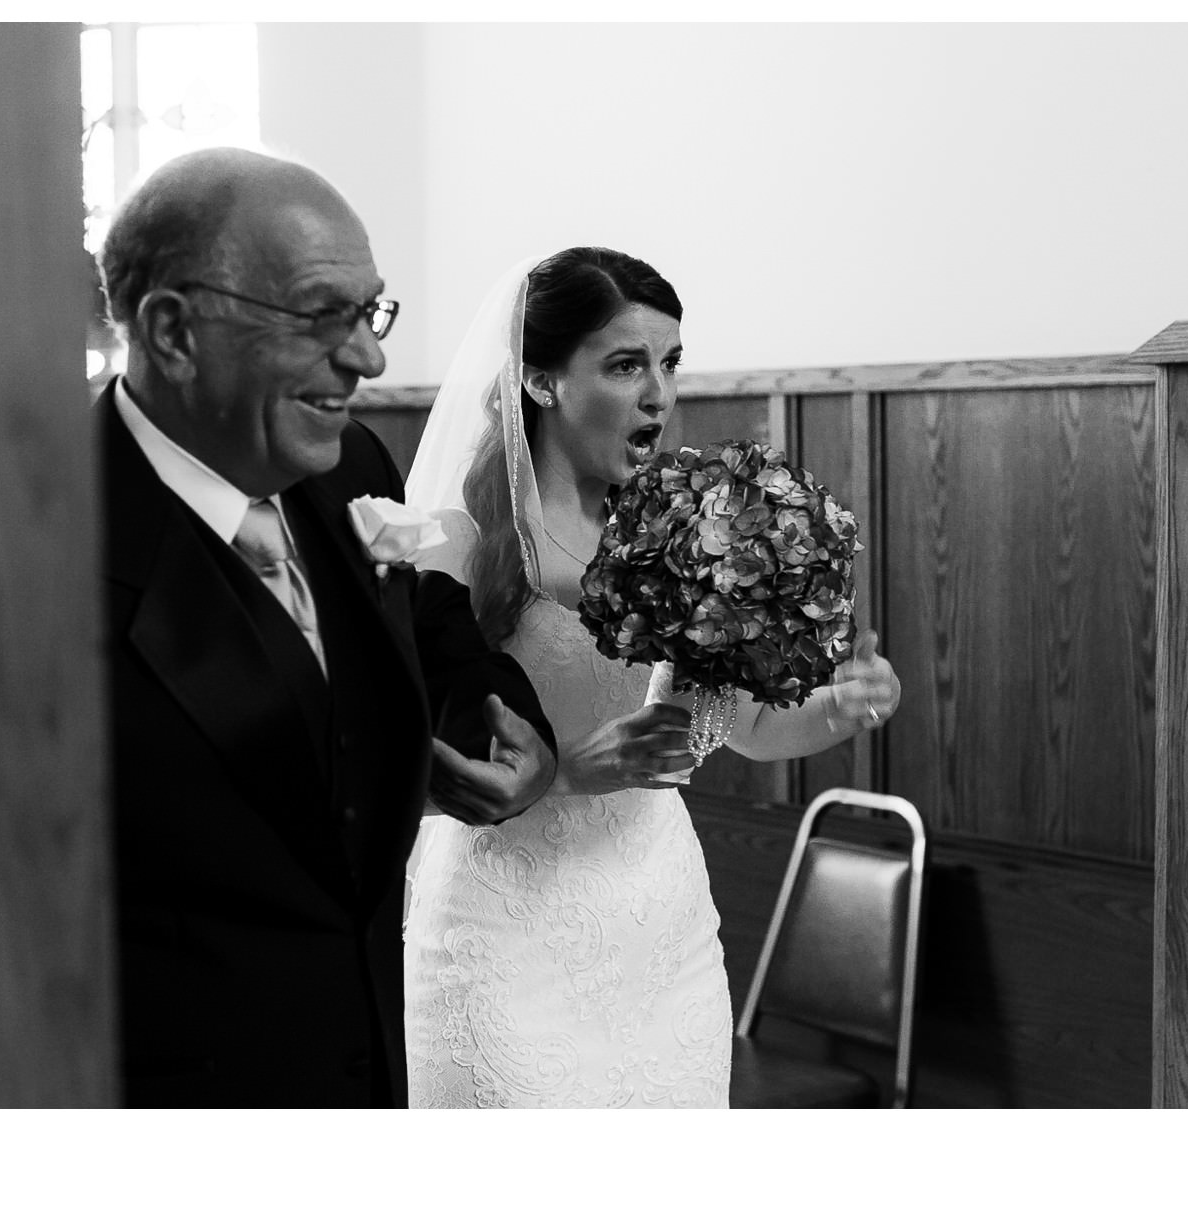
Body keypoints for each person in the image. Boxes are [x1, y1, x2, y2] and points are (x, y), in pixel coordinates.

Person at [94, 148, 558, 1108]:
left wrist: (514, 734)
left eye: (370, 313)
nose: (368, 356)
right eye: (322, 316)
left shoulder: (348, 465)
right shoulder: (41, 541)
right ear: (173, 331)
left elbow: (430, 626)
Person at [402, 247, 902, 1108]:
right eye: (626, 364)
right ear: (541, 381)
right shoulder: (455, 544)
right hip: (501, 935)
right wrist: (563, 775)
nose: (659, 395)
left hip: (659, 935)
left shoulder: (692, 534)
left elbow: (743, 726)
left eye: (669, 363)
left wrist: (839, 709)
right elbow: (392, 772)